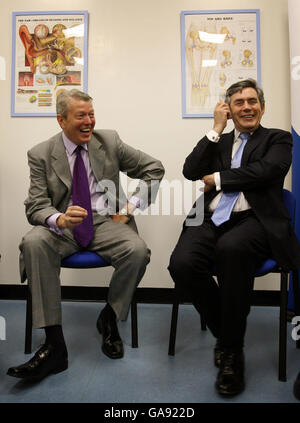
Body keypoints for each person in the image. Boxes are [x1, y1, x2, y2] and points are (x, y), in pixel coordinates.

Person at [7, 89, 164, 382]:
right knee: (33, 242)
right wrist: (59, 218)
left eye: (91, 114)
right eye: (81, 115)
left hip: (104, 221)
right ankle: (54, 345)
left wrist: (129, 208)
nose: (89, 121)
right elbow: (36, 205)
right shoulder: (40, 154)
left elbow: (153, 169)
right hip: (63, 227)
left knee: (137, 250)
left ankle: (109, 316)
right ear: (61, 120)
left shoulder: (109, 141)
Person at [168, 79, 300, 397]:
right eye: (238, 102)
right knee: (181, 264)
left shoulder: (278, 139)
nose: (247, 107)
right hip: (210, 217)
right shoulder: (219, 142)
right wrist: (215, 128)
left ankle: (231, 353)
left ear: (262, 107)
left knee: (232, 249)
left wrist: (219, 178)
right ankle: (229, 336)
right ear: (229, 109)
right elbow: (189, 170)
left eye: (252, 101)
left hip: (256, 219)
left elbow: (267, 171)